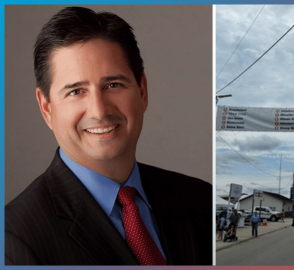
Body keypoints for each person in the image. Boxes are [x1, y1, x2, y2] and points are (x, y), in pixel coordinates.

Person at [4, 7, 212, 265]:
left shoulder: (201, 199)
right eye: (76, 91)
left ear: (142, 91)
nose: (99, 111)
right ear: (46, 107)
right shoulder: (14, 239)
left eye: (113, 85)